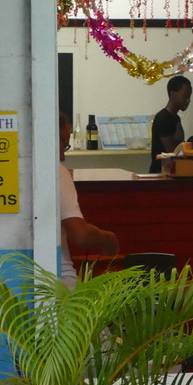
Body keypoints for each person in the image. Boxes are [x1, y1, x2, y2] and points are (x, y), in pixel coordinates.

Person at [58, 112, 118, 289]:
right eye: (62, 142)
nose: (62, 154)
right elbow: (81, 235)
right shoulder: (57, 172)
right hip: (58, 280)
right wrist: (109, 239)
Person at [150, 75, 192, 174]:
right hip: (161, 173)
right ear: (172, 94)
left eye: (189, 96)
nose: (188, 100)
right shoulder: (163, 118)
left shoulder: (175, 118)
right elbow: (172, 151)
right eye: (185, 96)